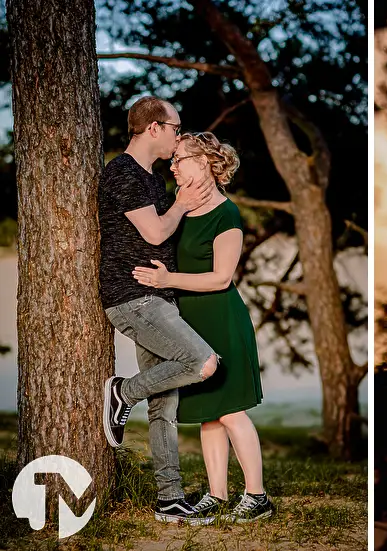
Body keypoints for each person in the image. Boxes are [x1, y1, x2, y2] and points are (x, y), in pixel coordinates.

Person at [132, 131, 274, 523]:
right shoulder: (179, 209)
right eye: (173, 159)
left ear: (207, 163)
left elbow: (220, 278)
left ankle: (258, 496)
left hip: (221, 318)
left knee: (231, 411)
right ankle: (217, 493)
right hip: (190, 323)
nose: (172, 165)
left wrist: (166, 282)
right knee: (210, 413)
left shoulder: (227, 214)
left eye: (181, 159)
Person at [98, 95, 219, 525]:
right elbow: (153, 233)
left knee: (164, 405)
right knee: (203, 361)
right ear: (154, 127)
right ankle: (121, 393)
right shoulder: (123, 172)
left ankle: (169, 499)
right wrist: (183, 203)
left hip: (156, 297)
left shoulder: (150, 178)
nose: (178, 135)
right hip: (134, 298)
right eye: (174, 127)